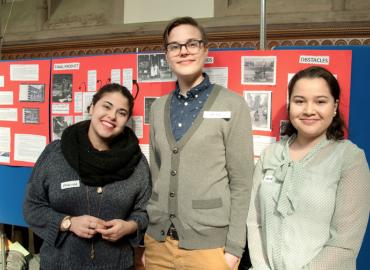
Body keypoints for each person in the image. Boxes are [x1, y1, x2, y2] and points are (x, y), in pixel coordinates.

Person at [144, 16, 254, 270]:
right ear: (167, 54)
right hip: (157, 243)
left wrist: (235, 247)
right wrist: (148, 237)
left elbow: (241, 182)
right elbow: (156, 172)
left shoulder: (232, 105)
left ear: (205, 49)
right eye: (175, 46)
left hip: (210, 249)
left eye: (192, 44)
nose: (184, 51)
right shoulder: (158, 107)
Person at [247, 66, 370, 270]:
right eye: (299, 101)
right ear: (290, 105)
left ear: (334, 106)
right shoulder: (271, 154)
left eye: (320, 101)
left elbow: (344, 244)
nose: (308, 110)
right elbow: (255, 222)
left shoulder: (349, 158)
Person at [23, 83, 151, 270]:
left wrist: (129, 226)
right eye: (106, 106)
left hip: (117, 265)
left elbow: (145, 211)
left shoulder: (137, 162)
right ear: (92, 108)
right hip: (59, 265)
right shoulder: (56, 153)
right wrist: (68, 222)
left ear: (127, 120)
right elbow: (31, 206)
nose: (112, 116)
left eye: (121, 113)